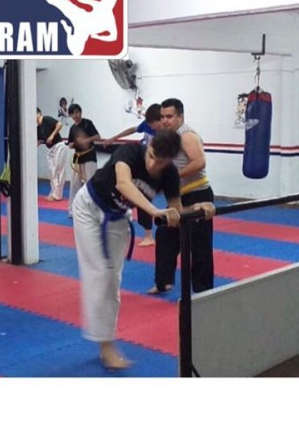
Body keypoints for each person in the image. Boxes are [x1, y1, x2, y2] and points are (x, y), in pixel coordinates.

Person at [71, 130, 215, 369]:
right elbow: (123, 183)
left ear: (170, 161)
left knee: (112, 279)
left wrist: (199, 209)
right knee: (99, 274)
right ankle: (106, 346)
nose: (153, 164)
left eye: (160, 162)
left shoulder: (169, 174)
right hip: (88, 207)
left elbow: (176, 214)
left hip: (117, 217)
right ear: (149, 148)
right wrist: (154, 210)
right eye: (152, 156)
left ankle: (107, 341)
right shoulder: (130, 152)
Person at [149, 98, 215, 294]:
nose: (165, 120)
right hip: (178, 197)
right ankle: (163, 282)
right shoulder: (168, 137)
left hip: (198, 195)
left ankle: (203, 291)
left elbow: (199, 162)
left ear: (180, 117)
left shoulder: (186, 136)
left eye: (169, 116)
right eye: (162, 117)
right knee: (165, 235)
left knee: (199, 246)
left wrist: (173, 176)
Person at [104, 103, 163, 245]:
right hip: (141, 163)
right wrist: (114, 138)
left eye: (152, 123)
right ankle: (119, 223)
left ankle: (149, 236)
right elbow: (133, 129)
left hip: (151, 168)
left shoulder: (165, 134)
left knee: (144, 198)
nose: (150, 126)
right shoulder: (148, 124)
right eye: (148, 123)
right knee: (126, 191)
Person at [23, 0, 118, 56]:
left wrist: (98, 37)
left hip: (82, 28)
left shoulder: (110, 20)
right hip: (80, 16)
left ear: (110, 4)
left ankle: (68, 32)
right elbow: (84, 0)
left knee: (76, 51)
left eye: (105, 0)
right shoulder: (100, 5)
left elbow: (113, 37)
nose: (102, 1)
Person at [66, 103, 101, 218]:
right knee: (74, 185)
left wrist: (86, 140)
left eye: (77, 112)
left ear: (80, 112)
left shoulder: (87, 123)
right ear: (70, 115)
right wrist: (74, 144)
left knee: (91, 184)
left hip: (89, 157)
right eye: (72, 113)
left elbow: (97, 137)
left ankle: (94, 211)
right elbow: (70, 144)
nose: (75, 115)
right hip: (78, 158)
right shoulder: (72, 128)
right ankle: (72, 210)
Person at [37, 107, 68, 201]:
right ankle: (53, 192)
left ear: (39, 113)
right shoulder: (38, 128)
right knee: (51, 171)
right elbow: (38, 140)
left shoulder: (46, 119)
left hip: (59, 146)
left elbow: (59, 124)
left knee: (58, 170)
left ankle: (57, 195)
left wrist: (52, 135)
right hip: (51, 149)